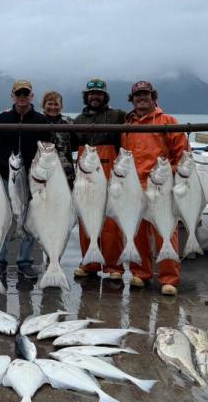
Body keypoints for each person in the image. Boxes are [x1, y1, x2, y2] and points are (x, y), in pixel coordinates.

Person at [120, 80, 189, 296]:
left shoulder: (168, 121)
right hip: (134, 187)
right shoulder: (127, 126)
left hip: (160, 186)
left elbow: (183, 155)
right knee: (136, 232)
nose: (142, 99)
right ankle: (141, 273)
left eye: (146, 95)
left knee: (165, 232)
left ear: (154, 97)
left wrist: (169, 174)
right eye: (138, 95)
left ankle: (169, 278)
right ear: (132, 100)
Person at [0, 79, 52, 279]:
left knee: (29, 219)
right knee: (3, 220)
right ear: (12, 96)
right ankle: (0, 260)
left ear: (32, 96)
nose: (22, 97)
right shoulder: (2, 119)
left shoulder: (41, 121)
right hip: (5, 178)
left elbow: (48, 149)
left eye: (26, 93)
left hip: (33, 179)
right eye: (18, 93)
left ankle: (25, 261)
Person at [71, 78, 127, 280]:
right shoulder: (77, 120)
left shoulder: (118, 115)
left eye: (99, 94)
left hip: (111, 172)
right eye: (92, 94)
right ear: (86, 96)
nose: (95, 97)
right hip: (86, 175)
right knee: (86, 219)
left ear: (105, 96)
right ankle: (89, 263)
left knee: (111, 222)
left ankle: (114, 266)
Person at [41, 90, 75, 187]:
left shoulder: (69, 122)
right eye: (49, 104)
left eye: (56, 104)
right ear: (43, 105)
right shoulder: (37, 120)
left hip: (66, 172)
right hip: (43, 172)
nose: (53, 107)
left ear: (61, 106)